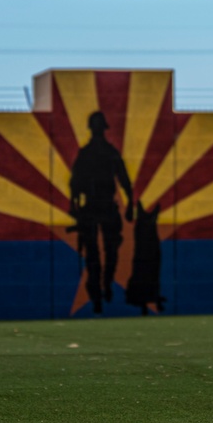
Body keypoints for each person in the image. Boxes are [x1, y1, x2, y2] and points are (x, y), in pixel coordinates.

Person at [70, 111, 135, 314]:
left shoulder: (107, 152)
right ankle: (98, 293)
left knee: (109, 251)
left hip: (105, 206)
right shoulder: (89, 153)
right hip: (92, 208)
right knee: (94, 255)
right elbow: (75, 183)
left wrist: (131, 204)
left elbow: (124, 180)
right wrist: (74, 206)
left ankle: (105, 285)